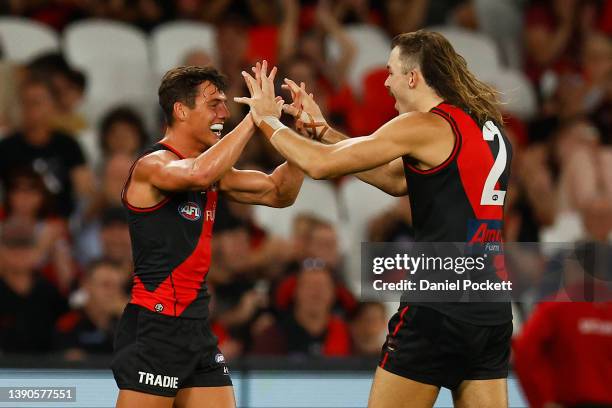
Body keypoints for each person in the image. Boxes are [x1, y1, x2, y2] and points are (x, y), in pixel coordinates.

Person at [235, 30, 513, 408]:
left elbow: (319, 166)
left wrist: (267, 120)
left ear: (413, 77)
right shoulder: (488, 130)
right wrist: (323, 131)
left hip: (437, 309)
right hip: (490, 309)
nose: (385, 81)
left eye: (391, 71)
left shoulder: (425, 125)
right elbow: (397, 179)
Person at [111, 64, 303, 408]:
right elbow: (199, 173)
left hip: (196, 327)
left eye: (226, 104)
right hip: (155, 326)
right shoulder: (153, 165)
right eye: (214, 103)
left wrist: (301, 139)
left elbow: (279, 193)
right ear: (180, 110)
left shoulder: (213, 172)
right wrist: (254, 119)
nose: (224, 112)